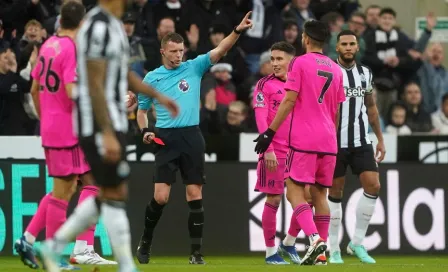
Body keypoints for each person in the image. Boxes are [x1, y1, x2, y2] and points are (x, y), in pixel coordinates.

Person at [37, 0, 179, 270]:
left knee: (112, 192)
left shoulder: (115, 25)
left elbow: (121, 73)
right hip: (97, 124)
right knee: (114, 192)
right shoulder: (97, 26)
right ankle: (126, 264)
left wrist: (157, 95)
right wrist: (106, 132)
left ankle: (53, 246)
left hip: (111, 122)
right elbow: (92, 80)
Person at [135, 12, 254, 265]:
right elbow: (142, 111)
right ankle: (145, 241)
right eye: (174, 51)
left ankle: (196, 253)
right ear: (163, 51)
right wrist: (145, 130)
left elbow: (220, 49)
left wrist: (238, 30)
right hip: (165, 138)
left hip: (192, 136)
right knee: (161, 197)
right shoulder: (151, 78)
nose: (179, 55)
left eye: (181, 50)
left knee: (194, 193)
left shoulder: (194, 66)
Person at [14, 2, 114, 270]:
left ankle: (28, 239)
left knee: (67, 187)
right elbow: (72, 92)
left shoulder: (48, 45)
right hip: (66, 131)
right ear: (81, 24)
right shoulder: (70, 49)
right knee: (63, 193)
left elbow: (34, 88)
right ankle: (53, 256)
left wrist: (46, 118)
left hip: (54, 127)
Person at [254, 20, 345, 266]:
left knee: (294, 190)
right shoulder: (337, 69)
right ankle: (322, 255)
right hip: (329, 141)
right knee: (319, 195)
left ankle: (315, 241)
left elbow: (289, 100)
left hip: (304, 139)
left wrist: (269, 133)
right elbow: (337, 110)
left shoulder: (299, 63)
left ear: (305, 38)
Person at [327, 29, 385, 264]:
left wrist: (380, 138)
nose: (349, 47)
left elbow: (371, 107)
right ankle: (333, 248)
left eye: (352, 44)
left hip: (361, 140)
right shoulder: (330, 72)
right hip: (334, 142)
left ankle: (357, 242)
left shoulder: (365, 74)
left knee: (373, 185)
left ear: (357, 47)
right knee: (335, 193)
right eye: (344, 44)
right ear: (337, 47)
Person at [251, 41, 301, 265]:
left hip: (299, 150)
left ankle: (289, 242)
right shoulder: (264, 84)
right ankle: (270, 251)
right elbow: (261, 118)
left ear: (292, 60)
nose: (275, 63)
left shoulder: (300, 83)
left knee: (306, 198)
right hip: (275, 151)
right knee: (274, 198)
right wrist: (268, 149)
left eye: (280, 59)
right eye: (272, 59)